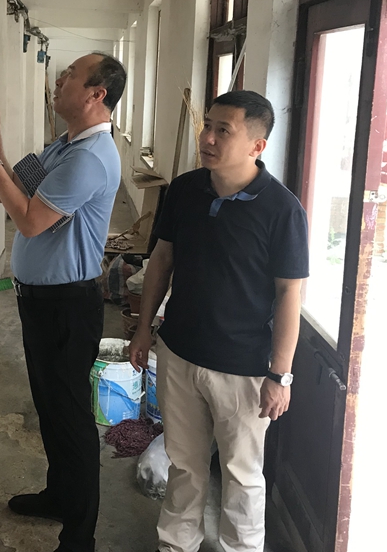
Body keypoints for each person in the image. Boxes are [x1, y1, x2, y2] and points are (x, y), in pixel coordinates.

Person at [129, 91, 309, 552]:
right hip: (179, 353)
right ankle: (176, 544)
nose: (206, 137)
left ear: (257, 145)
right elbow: (162, 259)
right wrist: (144, 329)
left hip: (243, 369)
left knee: (242, 476)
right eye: (207, 125)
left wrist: (280, 375)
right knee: (184, 465)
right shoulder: (185, 190)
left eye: (222, 130)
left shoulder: (282, 209)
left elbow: (290, 293)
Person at [0, 53, 125, 552]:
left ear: (96, 94)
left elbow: (30, 221)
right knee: (51, 409)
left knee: (72, 420)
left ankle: (80, 538)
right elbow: (16, 194)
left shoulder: (90, 157)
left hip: (67, 305)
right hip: (42, 302)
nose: (59, 80)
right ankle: (60, 496)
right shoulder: (65, 145)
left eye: (70, 75)